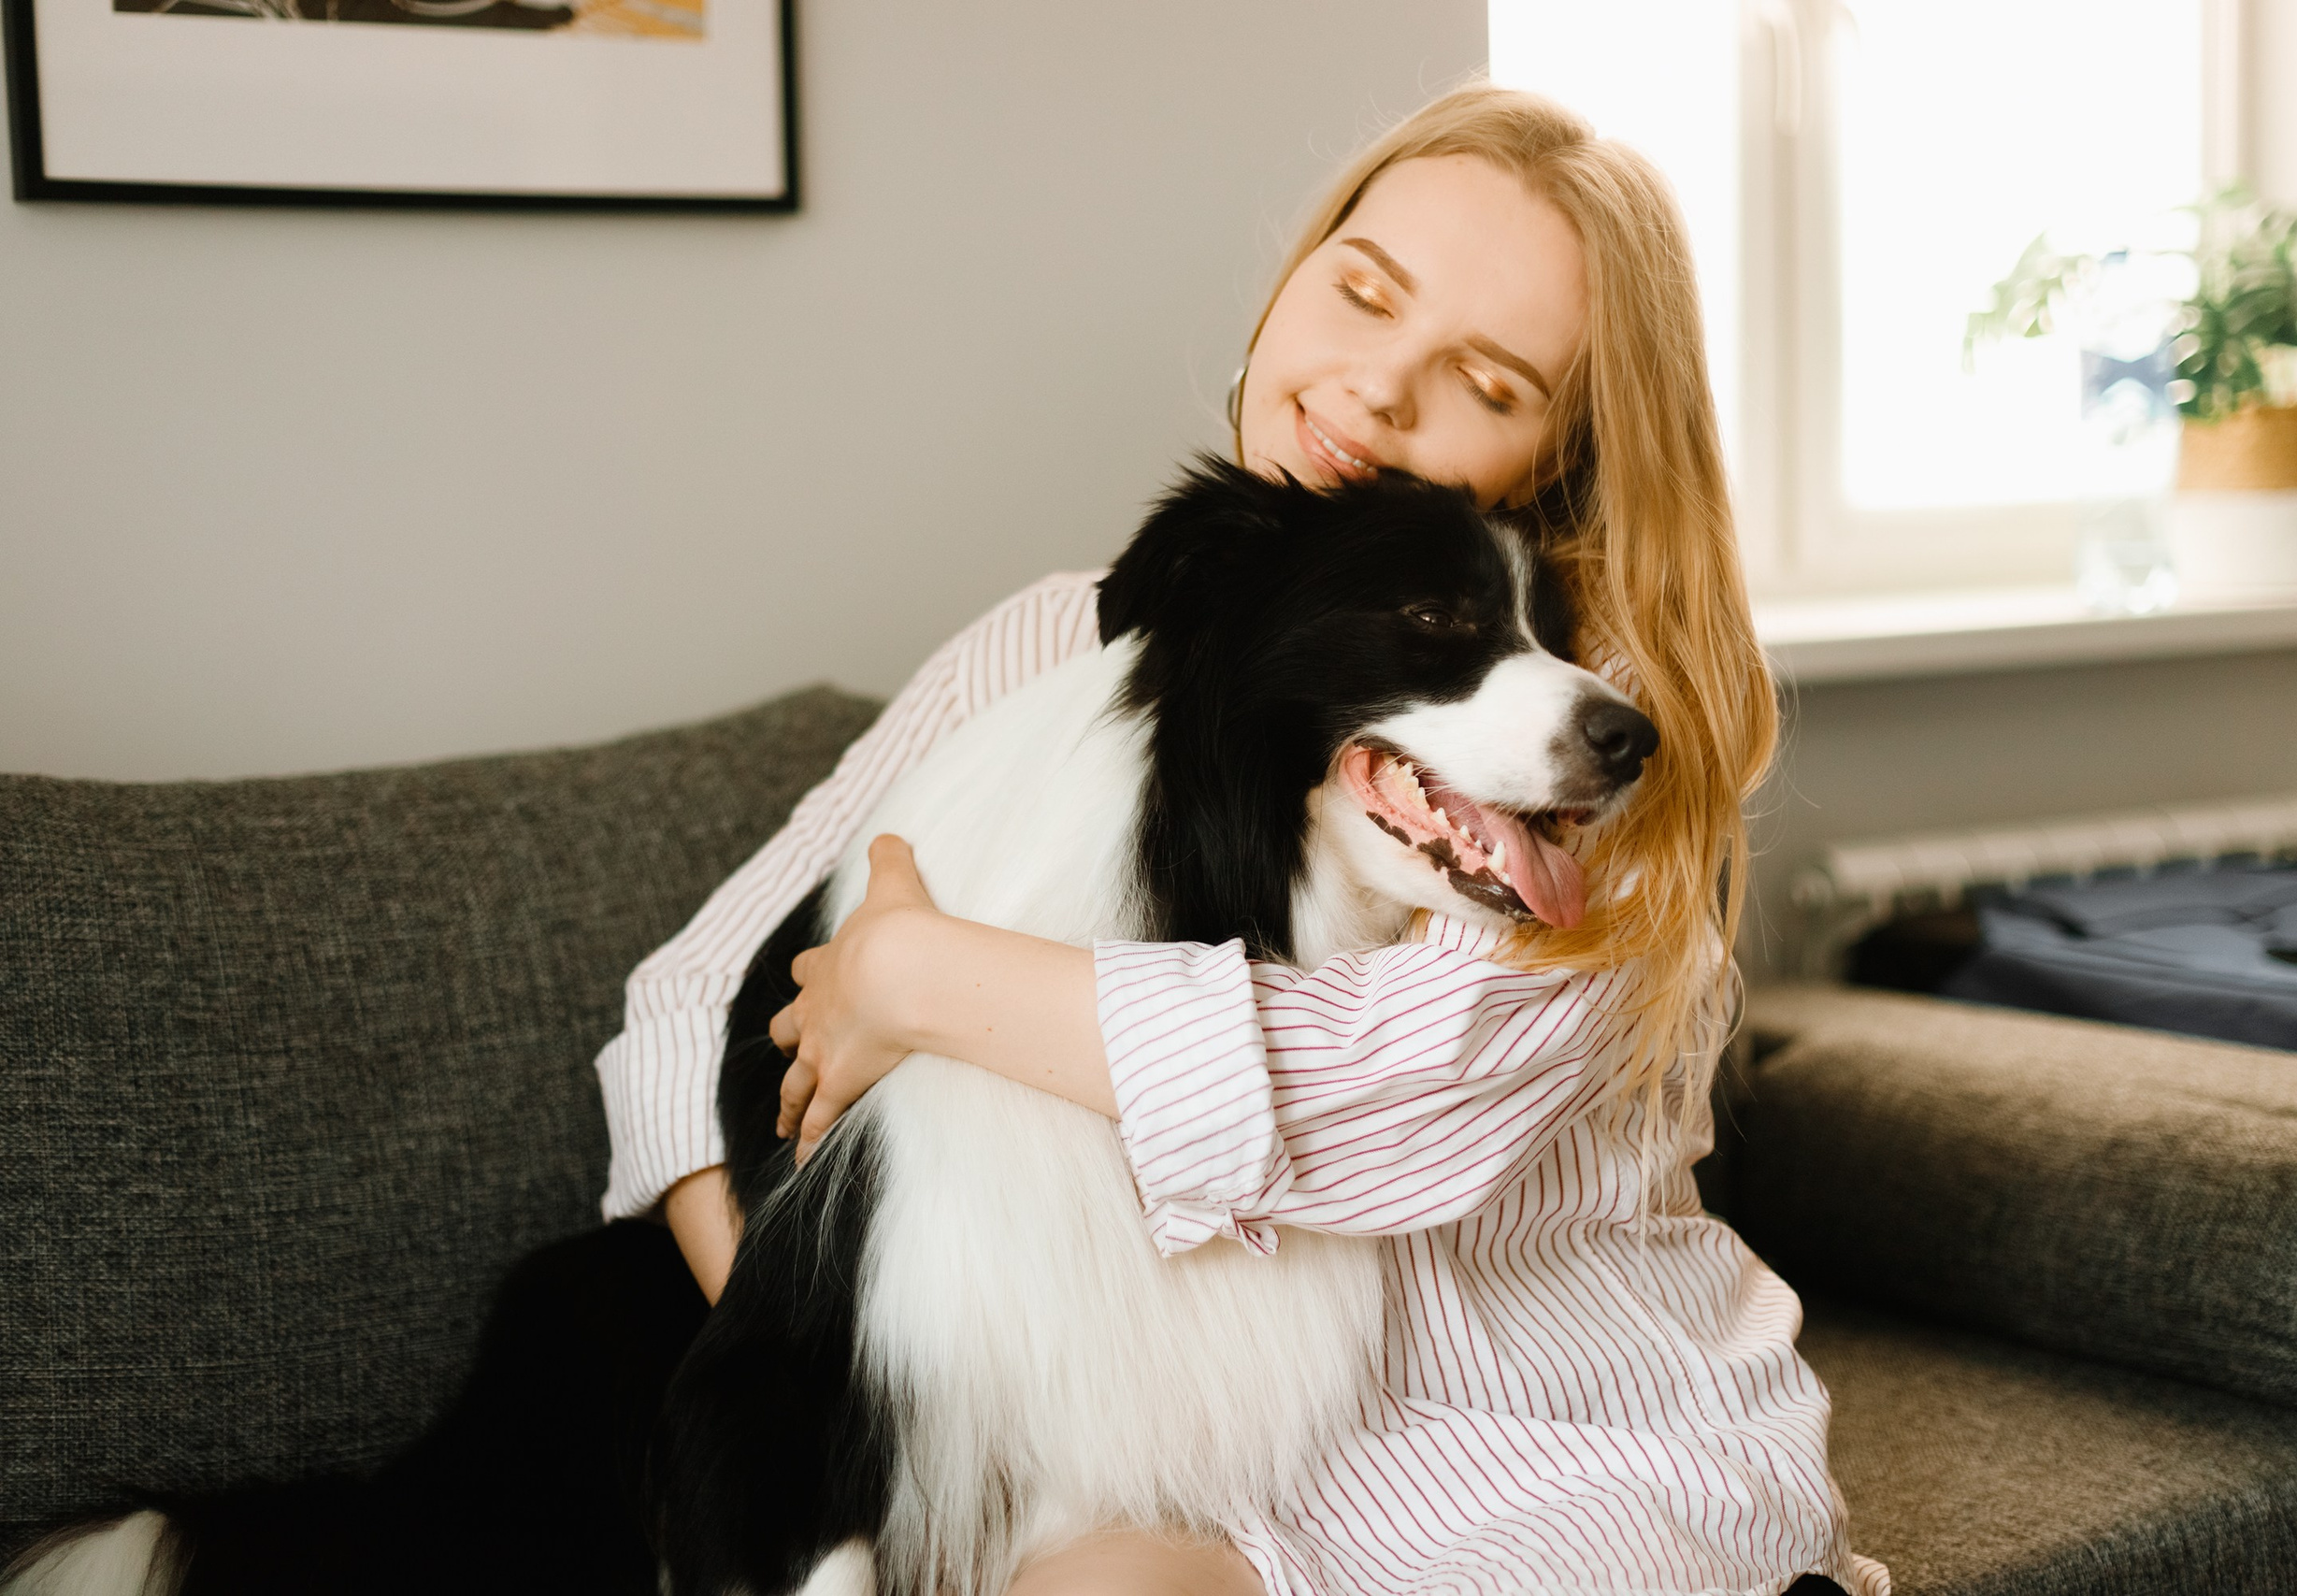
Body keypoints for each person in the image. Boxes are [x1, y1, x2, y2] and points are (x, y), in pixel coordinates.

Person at [598, 83, 1888, 1596]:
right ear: (1295, 274)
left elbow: (1376, 1107)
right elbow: (683, 1011)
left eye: (1483, 379)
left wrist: (923, 977)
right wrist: (833, 1351)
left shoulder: (1585, 749)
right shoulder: (1038, 650)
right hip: (1175, 1432)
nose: (1380, 389)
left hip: (1529, 1438)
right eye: (1362, 291)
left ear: (1559, 457)